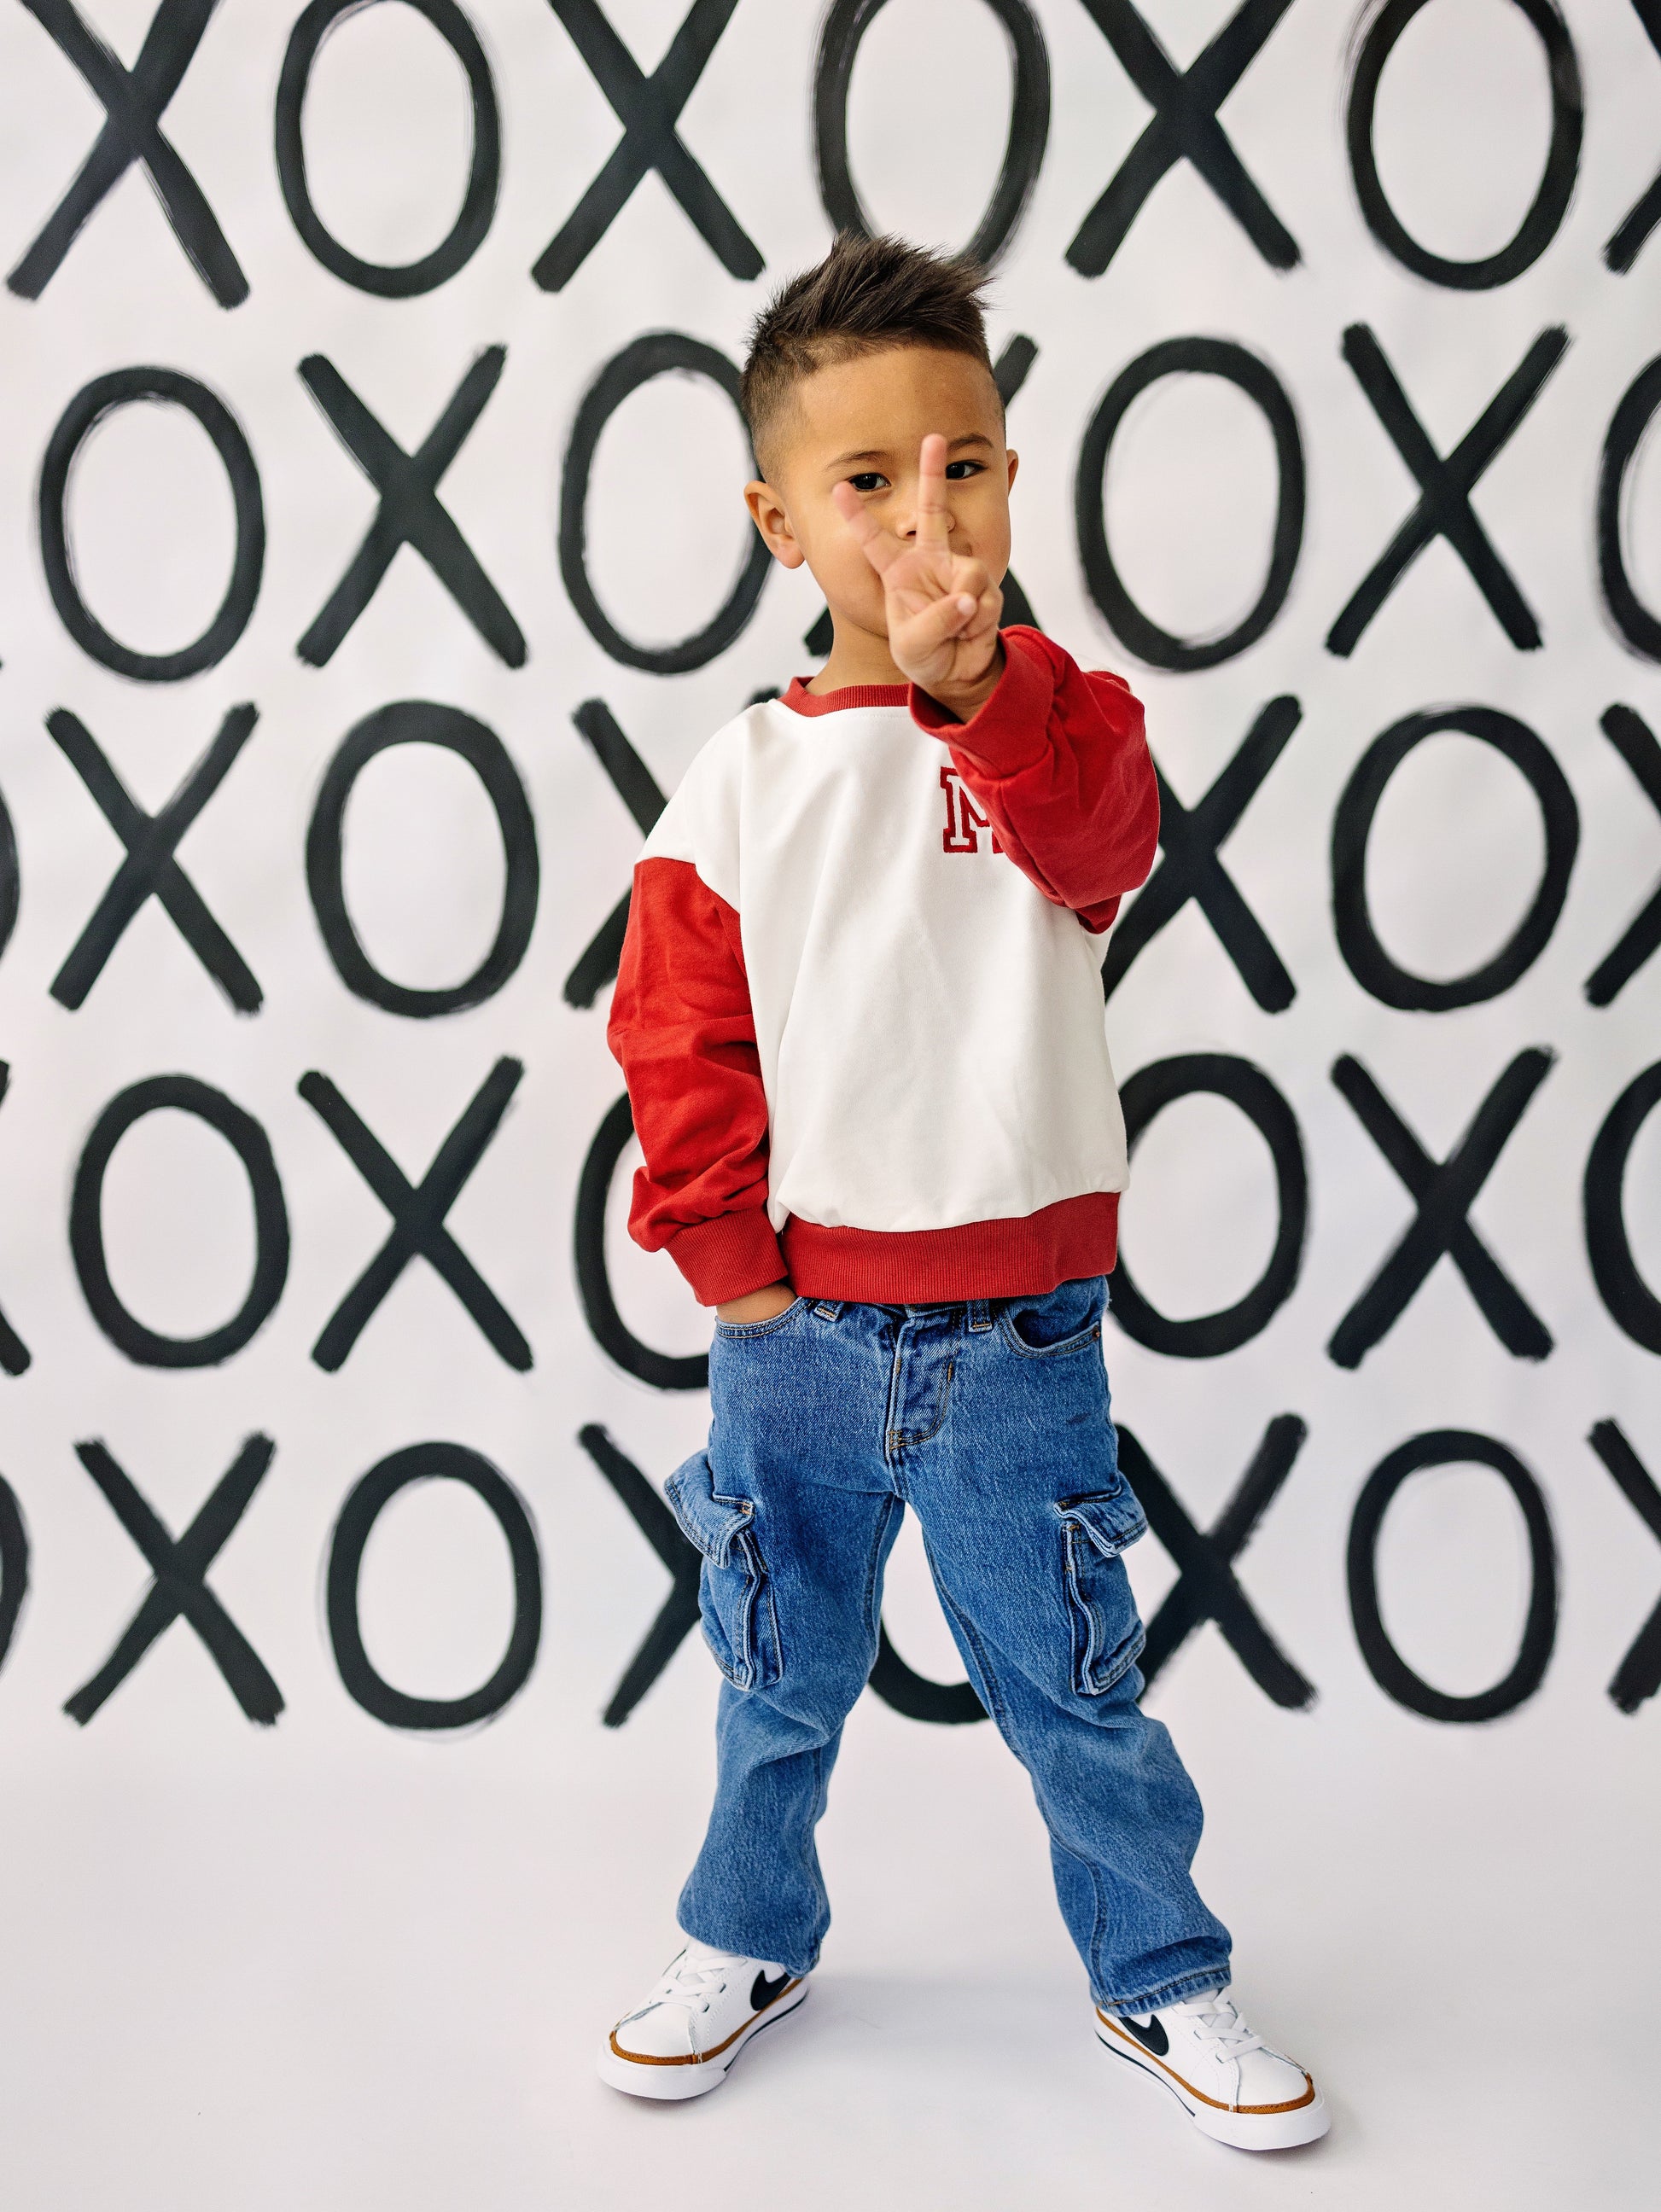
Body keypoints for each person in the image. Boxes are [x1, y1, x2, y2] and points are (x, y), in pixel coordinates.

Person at [597, 234, 1327, 2152]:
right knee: (776, 1677)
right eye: (866, 480)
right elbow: (675, 1032)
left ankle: (1157, 1970)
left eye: (964, 464)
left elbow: (1103, 850)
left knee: (1077, 1684)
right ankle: (744, 1937)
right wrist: (731, 1271)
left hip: (1019, 1332)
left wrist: (979, 686)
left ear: (1009, 474)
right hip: (798, 1336)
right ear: (777, 522)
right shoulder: (742, 778)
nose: (924, 515)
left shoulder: (1058, 720)